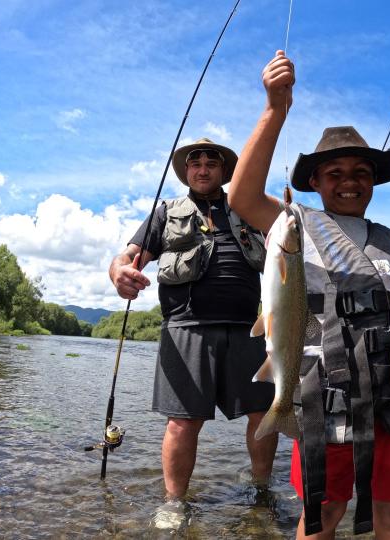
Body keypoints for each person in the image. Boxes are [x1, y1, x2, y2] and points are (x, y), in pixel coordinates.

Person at [228, 51, 390, 540]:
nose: (348, 182)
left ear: (374, 182)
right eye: (334, 173)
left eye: (360, 172)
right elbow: (241, 197)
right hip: (327, 407)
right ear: (314, 183)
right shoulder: (295, 225)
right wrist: (274, 110)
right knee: (326, 513)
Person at [108, 137, 279, 528]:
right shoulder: (165, 212)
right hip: (186, 328)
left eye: (211, 163)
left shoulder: (248, 207)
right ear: (187, 171)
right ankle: (174, 503)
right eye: (195, 163)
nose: (202, 168)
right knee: (182, 422)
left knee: (264, 413)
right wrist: (118, 271)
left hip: (249, 329)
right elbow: (126, 257)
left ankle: (262, 487)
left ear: (224, 170)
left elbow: (288, 241)